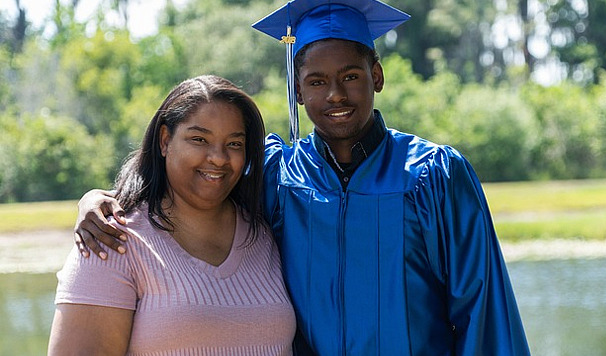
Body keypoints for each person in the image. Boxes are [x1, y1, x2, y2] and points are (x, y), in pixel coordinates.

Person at [72, 0, 531, 355]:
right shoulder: (277, 175)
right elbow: (198, 179)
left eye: (351, 76)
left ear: (377, 75)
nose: (335, 94)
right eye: (315, 81)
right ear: (297, 88)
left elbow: (483, 312)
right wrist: (100, 198)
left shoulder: (434, 176)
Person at [48, 75, 296, 355]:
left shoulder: (263, 230)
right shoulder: (112, 239)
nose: (218, 157)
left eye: (234, 144)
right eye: (199, 139)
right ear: (165, 140)